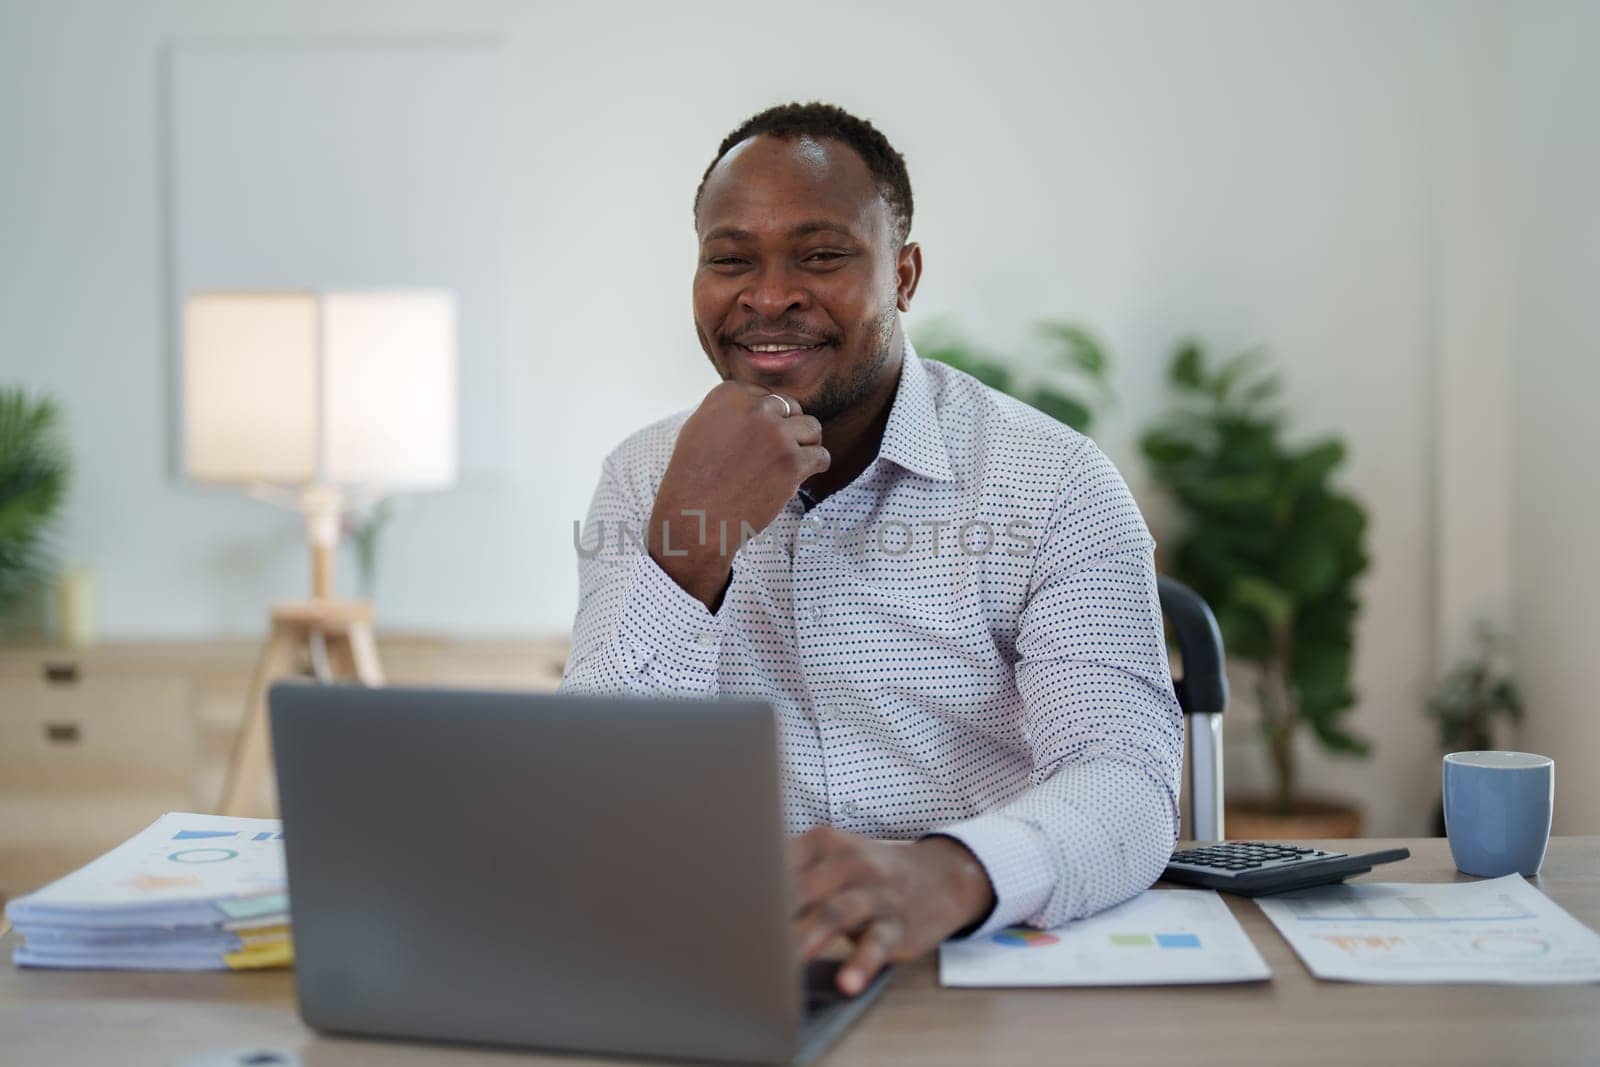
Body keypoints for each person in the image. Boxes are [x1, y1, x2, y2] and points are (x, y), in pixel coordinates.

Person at [561, 102, 1183, 996]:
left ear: (904, 274)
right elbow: (588, 798)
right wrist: (688, 547)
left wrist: (947, 876)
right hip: (725, 963)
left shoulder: (1057, 484)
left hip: (974, 949)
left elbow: (1123, 781)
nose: (769, 296)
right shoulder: (640, 478)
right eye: (731, 258)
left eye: (821, 255)